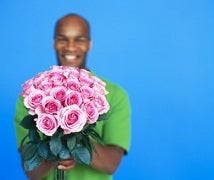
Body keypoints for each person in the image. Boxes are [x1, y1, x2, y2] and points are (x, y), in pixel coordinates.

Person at [14, 13, 131, 180]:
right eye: (62, 39)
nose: (70, 46)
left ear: (89, 44)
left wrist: (73, 138)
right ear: (54, 43)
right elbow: (31, 171)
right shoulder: (31, 95)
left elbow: (111, 164)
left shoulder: (113, 94)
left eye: (79, 39)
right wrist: (54, 152)